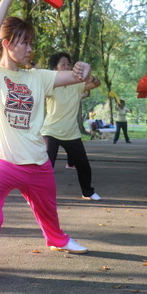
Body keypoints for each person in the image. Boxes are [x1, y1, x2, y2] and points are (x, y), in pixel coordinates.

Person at [0, 0, 90, 286]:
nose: (30, 49)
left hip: (36, 163)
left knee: (48, 209)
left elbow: (74, 78)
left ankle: (57, 239)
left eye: (31, 44)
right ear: (7, 43)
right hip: (1, 162)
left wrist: (83, 71)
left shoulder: (38, 76)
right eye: (24, 43)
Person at [41, 52, 102, 201]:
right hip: (51, 131)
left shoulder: (77, 85)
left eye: (69, 64)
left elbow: (96, 83)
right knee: (46, 167)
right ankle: (40, 196)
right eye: (63, 65)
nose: (67, 67)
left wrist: (89, 77)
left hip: (71, 133)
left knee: (83, 165)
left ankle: (87, 192)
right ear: (55, 68)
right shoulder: (50, 85)